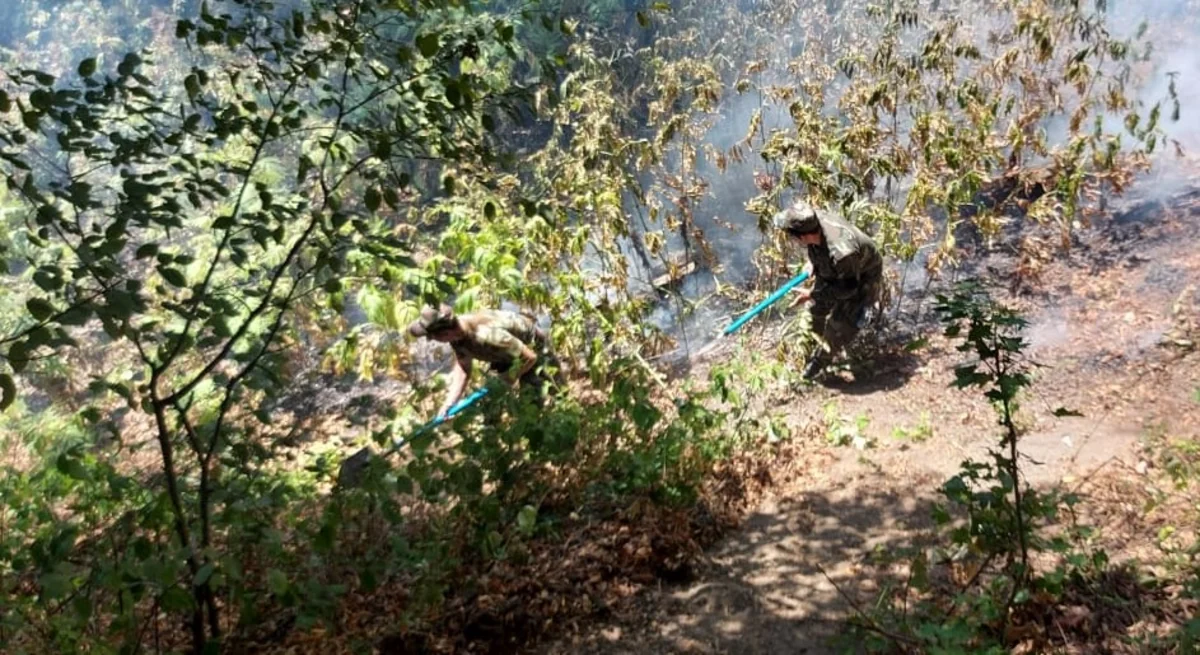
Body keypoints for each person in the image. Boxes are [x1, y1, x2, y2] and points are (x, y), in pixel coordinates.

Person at [773, 200, 883, 380]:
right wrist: (813, 262)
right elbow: (815, 244)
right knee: (816, 308)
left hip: (861, 278)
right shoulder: (813, 219)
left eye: (791, 236)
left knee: (839, 325)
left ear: (802, 237)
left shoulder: (841, 254)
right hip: (837, 268)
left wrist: (812, 294)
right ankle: (809, 345)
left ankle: (819, 363)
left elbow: (847, 289)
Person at [408, 304, 560, 418]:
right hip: (505, 354)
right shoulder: (457, 337)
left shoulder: (486, 335)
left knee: (540, 399)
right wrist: (450, 402)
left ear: (445, 333)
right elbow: (463, 367)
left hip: (532, 348)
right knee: (490, 405)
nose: (433, 340)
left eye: (432, 337)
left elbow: (529, 357)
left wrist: (507, 378)